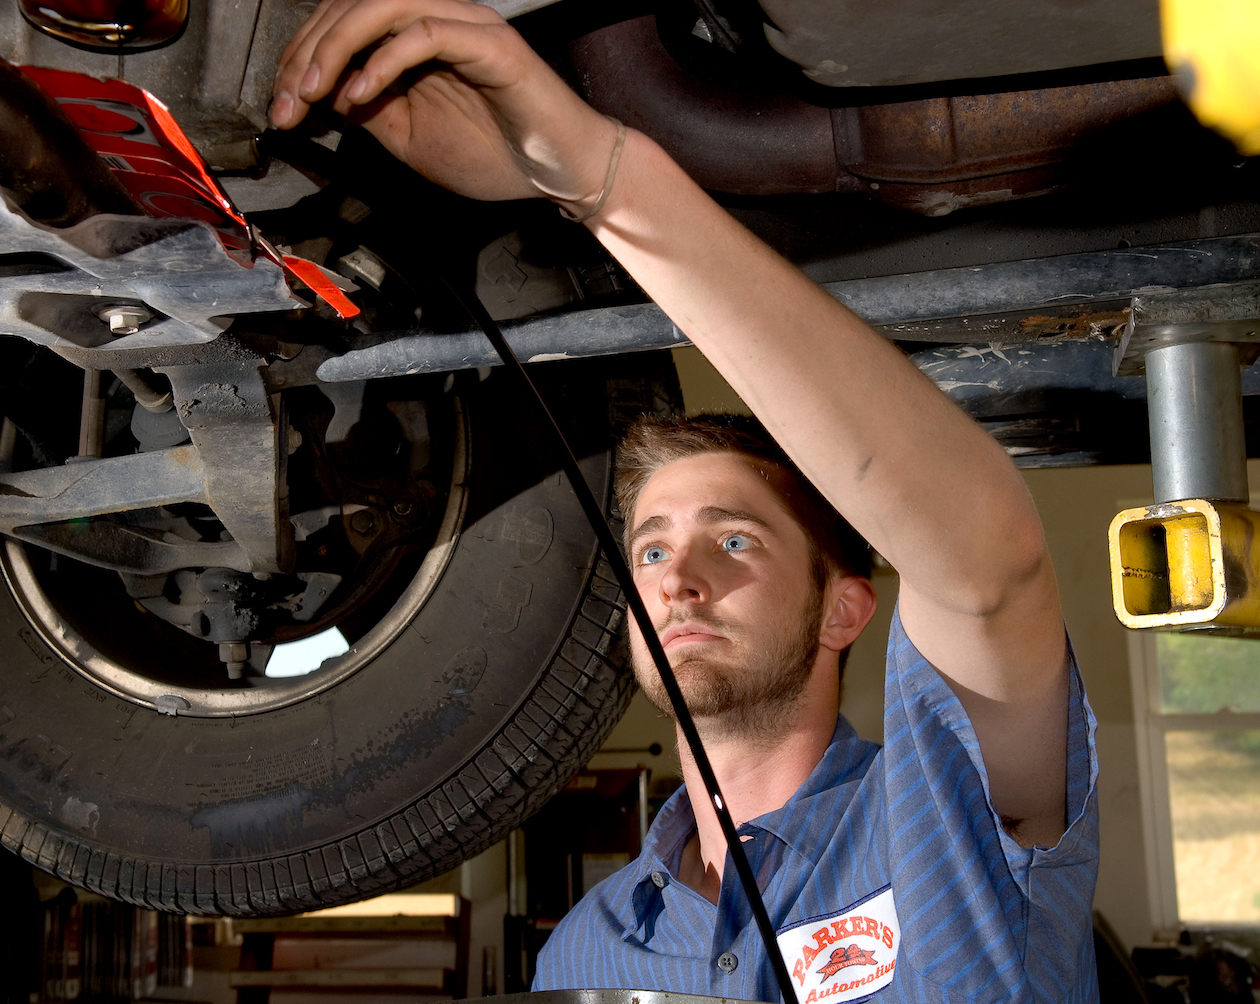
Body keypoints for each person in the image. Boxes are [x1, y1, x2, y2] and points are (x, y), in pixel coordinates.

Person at [270, 3, 1097, 1000]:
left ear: (845, 603)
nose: (680, 580)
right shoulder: (589, 947)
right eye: (651, 549)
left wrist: (593, 174)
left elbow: (987, 562)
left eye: (735, 538)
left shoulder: (936, 819)